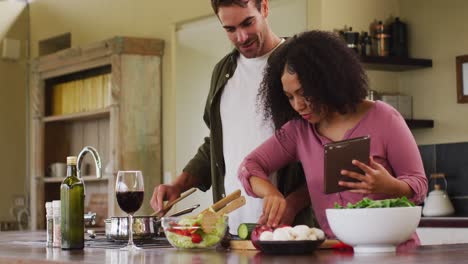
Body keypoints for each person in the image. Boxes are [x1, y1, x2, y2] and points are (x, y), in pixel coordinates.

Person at [238, 30, 428, 247]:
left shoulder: (384, 117)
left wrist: (390, 185)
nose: (298, 105)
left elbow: (419, 185)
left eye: (304, 93)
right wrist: (272, 194)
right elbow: (250, 166)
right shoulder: (299, 131)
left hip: (395, 252)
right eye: (289, 97)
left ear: (327, 81)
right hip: (335, 253)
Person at [150, 0, 315, 234]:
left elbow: (324, 150)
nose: (241, 37)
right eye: (230, 29)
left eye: (248, 23)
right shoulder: (222, 72)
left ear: (264, 8)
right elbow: (216, 144)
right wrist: (178, 185)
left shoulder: (299, 65)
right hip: (232, 230)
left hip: (291, 230)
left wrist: (293, 203)